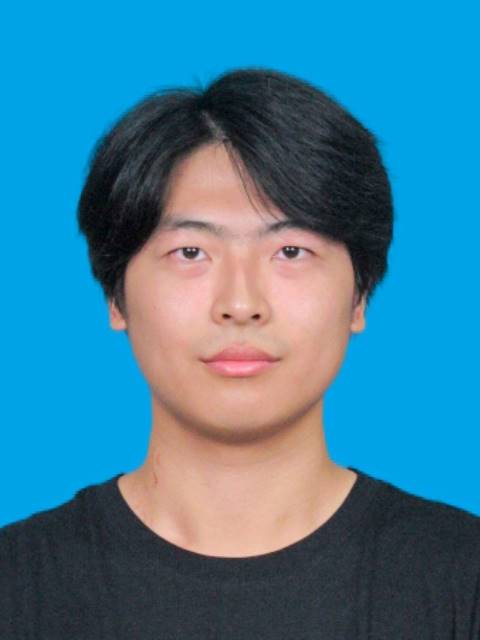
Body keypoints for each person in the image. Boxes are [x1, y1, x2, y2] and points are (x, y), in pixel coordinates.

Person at [1, 67, 479, 639]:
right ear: (115, 295)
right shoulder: (17, 583)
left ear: (358, 296)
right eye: (190, 252)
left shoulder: (462, 577)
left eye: (291, 251)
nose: (241, 304)